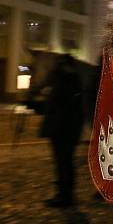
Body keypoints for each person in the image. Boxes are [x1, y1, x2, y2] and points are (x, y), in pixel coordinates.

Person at [40, 53, 84, 207]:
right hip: (70, 130)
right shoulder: (75, 80)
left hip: (60, 130)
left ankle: (64, 196)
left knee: (62, 163)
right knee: (67, 163)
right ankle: (67, 194)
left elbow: (55, 104)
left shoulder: (60, 79)